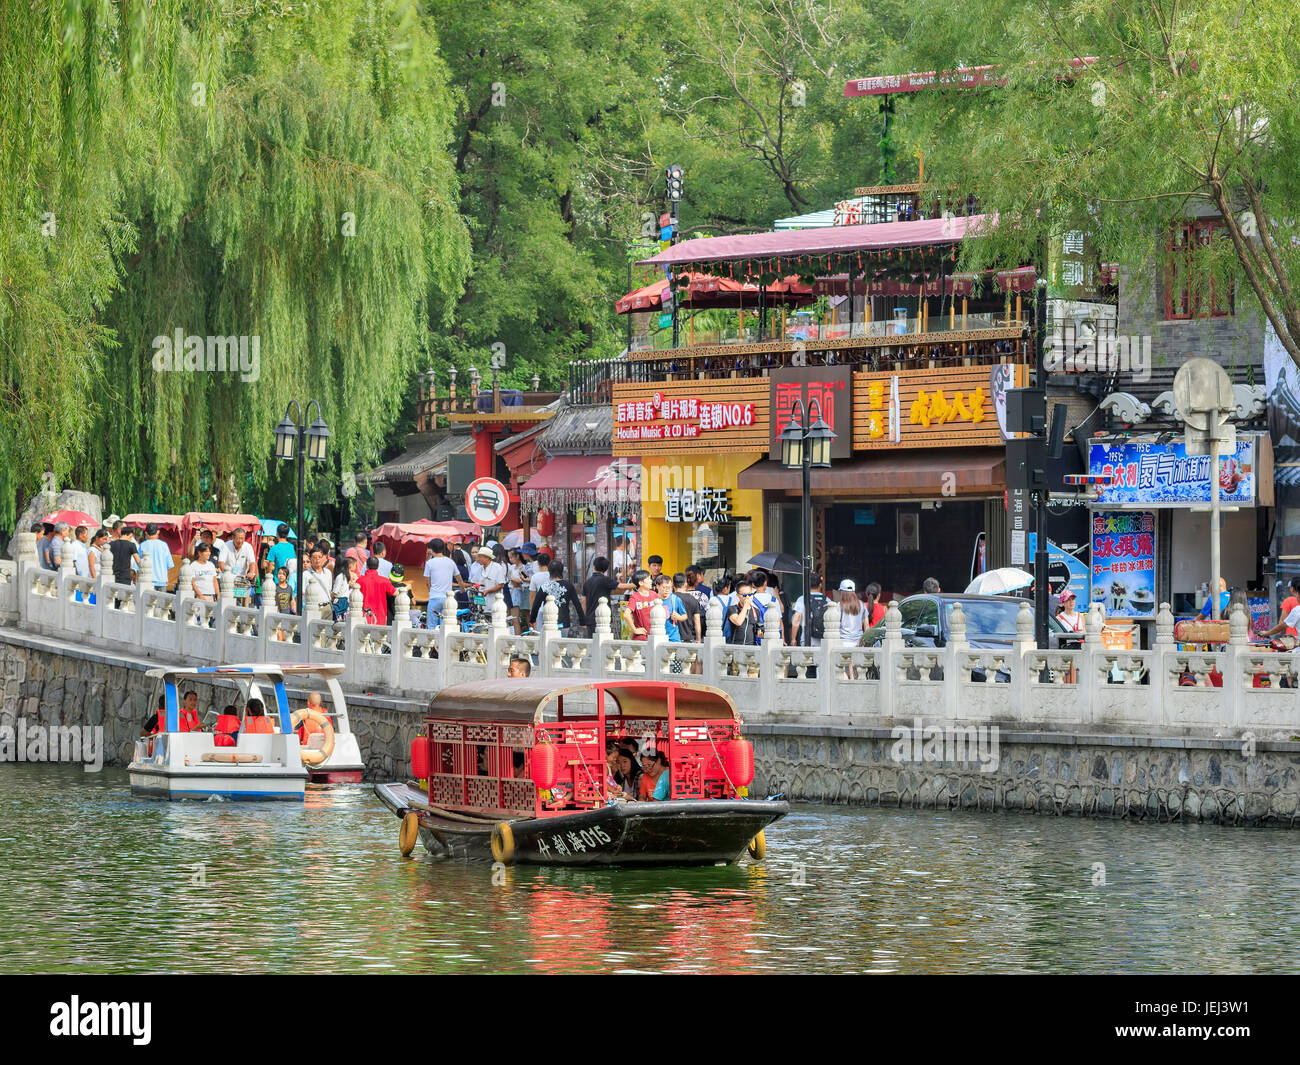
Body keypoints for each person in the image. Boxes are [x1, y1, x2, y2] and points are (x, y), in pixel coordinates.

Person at [529, 559, 587, 636]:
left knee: (548, 646)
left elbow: (536, 605)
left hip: (548, 624)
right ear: (562, 571)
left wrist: (532, 620)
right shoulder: (568, 586)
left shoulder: (544, 587)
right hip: (564, 624)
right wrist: (583, 622)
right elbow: (577, 604)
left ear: (549, 571)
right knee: (562, 646)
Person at [423, 538, 459, 627]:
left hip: (434, 597)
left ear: (431, 549)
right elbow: (459, 578)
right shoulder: (451, 562)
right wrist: (462, 588)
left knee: (432, 625)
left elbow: (427, 583)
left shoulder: (429, 563)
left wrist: (431, 591)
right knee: (446, 626)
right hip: (447, 599)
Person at [581, 555, 625, 625]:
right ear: (605, 569)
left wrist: (584, 618)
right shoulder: (605, 580)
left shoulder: (587, 582)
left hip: (590, 620)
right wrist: (637, 584)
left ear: (594, 566)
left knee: (590, 636)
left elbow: (583, 601)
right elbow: (621, 586)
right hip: (604, 619)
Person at [219, 526, 256, 602]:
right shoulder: (226, 545)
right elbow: (221, 562)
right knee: (227, 600)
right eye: (238, 538)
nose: (240, 541)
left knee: (245, 599)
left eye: (242, 538)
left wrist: (251, 572)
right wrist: (226, 573)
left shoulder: (248, 547)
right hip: (228, 578)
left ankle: (245, 609)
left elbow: (252, 562)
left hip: (242, 578)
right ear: (233, 537)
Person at [790, 573, 828, 647]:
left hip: (806, 638)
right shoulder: (827, 600)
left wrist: (793, 638)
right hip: (823, 639)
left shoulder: (802, 599)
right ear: (820, 585)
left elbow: (796, 619)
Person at [621, 569, 658, 641]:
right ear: (641, 582)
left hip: (655, 635)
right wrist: (635, 630)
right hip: (641, 638)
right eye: (648, 579)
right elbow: (626, 614)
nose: (651, 581)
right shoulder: (635, 597)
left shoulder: (654, 595)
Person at [358, 556, 395, 625]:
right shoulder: (384, 581)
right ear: (378, 567)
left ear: (366, 566)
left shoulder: (360, 581)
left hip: (364, 616)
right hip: (380, 616)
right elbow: (395, 593)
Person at [302, 544, 334, 619]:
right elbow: (303, 594)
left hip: (327, 607)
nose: (317, 560)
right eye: (315, 557)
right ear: (310, 559)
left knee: (328, 629)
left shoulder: (328, 573)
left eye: (320, 557)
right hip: (314, 608)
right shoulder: (306, 574)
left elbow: (329, 589)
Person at [139, 523, 174, 591]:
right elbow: (169, 565)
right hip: (162, 580)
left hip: (147, 580)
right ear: (158, 532)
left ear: (146, 533)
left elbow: (138, 564)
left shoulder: (142, 545)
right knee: (161, 601)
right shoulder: (164, 545)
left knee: (147, 601)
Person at [728, 578, 762, 646]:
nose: (747, 597)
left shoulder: (756, 611)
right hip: (736, 647)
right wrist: (746, 605)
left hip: (751, 648)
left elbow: (759, 632)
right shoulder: (733, 609)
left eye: (749, 594)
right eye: (744, 595)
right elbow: (738, 622)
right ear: (738, 595)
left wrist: (761, 633)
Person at [266, 523, 298, 595]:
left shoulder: (274, 548)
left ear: (277, 533)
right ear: (288, 535)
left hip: (278, 581)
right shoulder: (292, 547)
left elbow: (270, 567)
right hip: (290, 581)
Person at [672, 572, 702, 643]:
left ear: (673, 584)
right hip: (689, 638)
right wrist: (698, 639)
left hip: (673, 638)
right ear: (685, 584)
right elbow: (697, 621)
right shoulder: (693, 599)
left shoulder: (671, 598)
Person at [837, 579, 865, 643]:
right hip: (858, 641)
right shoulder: (861, 604)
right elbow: (866, 625)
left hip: (843, 641)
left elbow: (836, 626)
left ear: (842, 592)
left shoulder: (838, 605)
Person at [331, 552, 354, 620]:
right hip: (345, 600)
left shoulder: (339, 576)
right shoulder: (345, 575)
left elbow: (335, 592)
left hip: (339, 601)